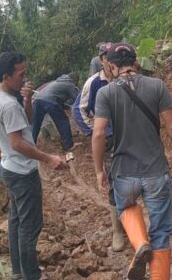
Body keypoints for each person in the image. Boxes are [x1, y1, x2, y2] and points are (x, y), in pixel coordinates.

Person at [92, 42, 172, 280]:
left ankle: (139, 244)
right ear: (135, 62)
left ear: (111, 65)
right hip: (156, 170)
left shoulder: (105, 92)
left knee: (125, 207)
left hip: (124, 171)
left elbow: (98, 134)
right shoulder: (157, 86)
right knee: (160, 233)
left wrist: (99, 170)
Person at [0, 51, 69, 280]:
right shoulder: (7, 104)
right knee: (30, 226)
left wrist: (27, 99)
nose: (25, 79)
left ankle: (19, 271)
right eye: (21, 74)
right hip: (22, 173)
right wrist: (48, 158)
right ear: (6, 76)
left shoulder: (2, 98)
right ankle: (31, 275)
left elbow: (26, 122)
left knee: (16, 222)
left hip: (9, 168)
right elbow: (17, 142)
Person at [70, 42, 125, 252]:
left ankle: (132, 221)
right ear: (102, 60)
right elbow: (79, 110)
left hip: (127, 136)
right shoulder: (93, 83)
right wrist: (94, 132)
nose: (111, 61)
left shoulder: (124, 79)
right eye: (106, 57)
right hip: (107, 138)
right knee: (113, 181)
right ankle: (117, 230)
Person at [31, 73, 79, 151]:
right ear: (75, 80)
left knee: (36, 124)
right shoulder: (70, 84)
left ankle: (30, 145)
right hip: (50, 101)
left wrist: (66, 106)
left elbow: (58, 98)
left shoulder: (56, 82)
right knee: (63, 121)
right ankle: (68, 145)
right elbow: (78, 99)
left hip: (38, 99)